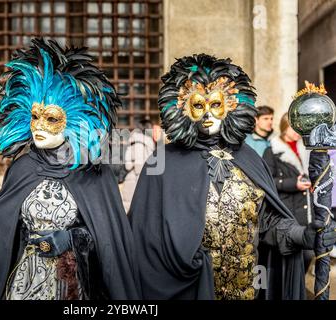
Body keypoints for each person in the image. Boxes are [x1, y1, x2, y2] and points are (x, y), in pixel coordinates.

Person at [129, 53, 336, 300]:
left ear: (231, 106)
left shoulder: (248, 158)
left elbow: (267, 223)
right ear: (183, 108)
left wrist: (302, 235)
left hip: (246, 290)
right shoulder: (162, 163)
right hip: (186, 292)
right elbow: (144, 240)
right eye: (198, 105)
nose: (208, 114)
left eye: (215, 104)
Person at [0, 38, 141, 300]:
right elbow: (0, 227)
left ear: (74, 120)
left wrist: (73, 239)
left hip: (72, 287)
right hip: (23, 284)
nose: (38, 126)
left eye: (51, 118)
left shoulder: (94, 175)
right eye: (35, 116)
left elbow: (109, 243)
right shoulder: (23, 168)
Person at [263, 113, 313, 271]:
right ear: (284, 127)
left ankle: (298, 289)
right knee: (292, 256)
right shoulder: (272, 150)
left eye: (299, 127)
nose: (297, 131)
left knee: (308, 253)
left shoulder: (304, 148)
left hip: (306, 207)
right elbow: (268, 181)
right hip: (288, 207)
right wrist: (294, 184)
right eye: (293, 126)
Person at [121, 119, 156, 212]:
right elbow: (139, 166)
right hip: (137, 182)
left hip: (132, 180)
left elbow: (127, 164)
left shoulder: (135, 141)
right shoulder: (141, 143)